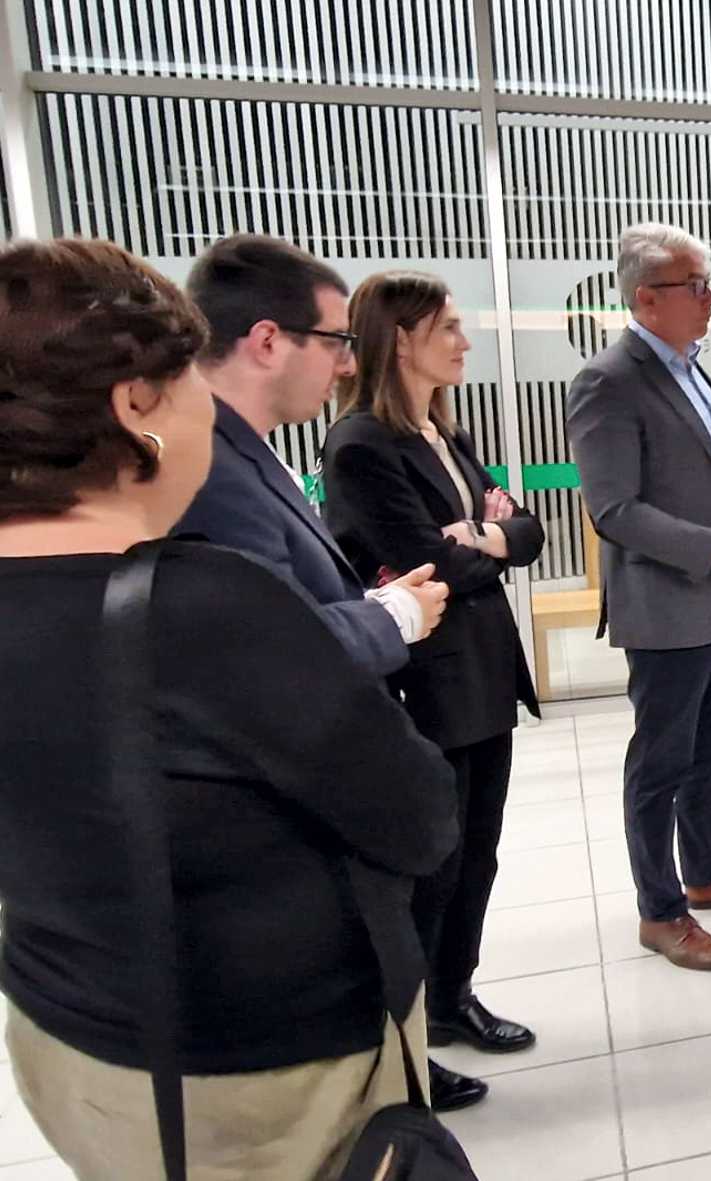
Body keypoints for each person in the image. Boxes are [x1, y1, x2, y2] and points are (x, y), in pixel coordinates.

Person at [0, 239, 457, 1180]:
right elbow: (417, 815)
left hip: (66, 1022)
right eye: (188, 388)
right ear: (137, 407)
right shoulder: (204, 605)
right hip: (256, 1062)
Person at [321, 272, 545, 1086]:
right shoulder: (359, 446)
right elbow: (431, 564)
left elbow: (530, 532)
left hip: (482, 669)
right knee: (431, 867)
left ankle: (452, 996)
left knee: (477, 854)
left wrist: (486, 533)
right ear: (400, 338)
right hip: (427, 681)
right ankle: (404, 1045)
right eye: (447, 326)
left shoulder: (442, 434)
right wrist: (490, 539)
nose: (463, 340)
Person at [567, 222, 711, 973]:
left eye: (708, 282)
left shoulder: (690, 366)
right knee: (658, 761)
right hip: (670, 601)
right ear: (645, 297)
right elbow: (614, 509)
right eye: (694, 285)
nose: (709, 298)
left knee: (709, 748)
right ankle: (660, 911)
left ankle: (707, 872)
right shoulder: (610, 378)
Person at [176, 235, 448, 681]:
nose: (348, 366)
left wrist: (365, 606)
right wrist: (392, 617)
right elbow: (272, 647)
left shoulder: (241, 450)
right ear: (267, 342)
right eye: (336, 341)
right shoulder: (208, 471)